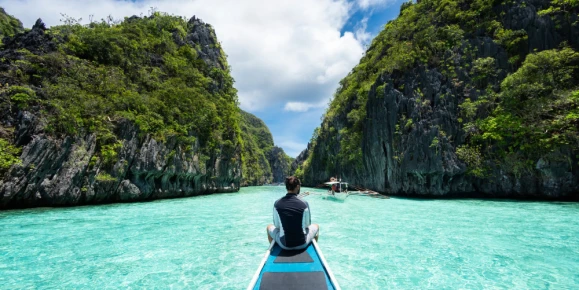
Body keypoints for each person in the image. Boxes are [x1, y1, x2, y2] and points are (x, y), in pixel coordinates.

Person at [267, 176, 319, 250]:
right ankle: (311, 250)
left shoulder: (277, 203)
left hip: (284, 245)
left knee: (268, 227)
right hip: (302, 243)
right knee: (316, 226)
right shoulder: (304, 203)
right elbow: (308, 224)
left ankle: (274, 250)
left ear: (286, 187)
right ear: (297, 187)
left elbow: (277, 226)